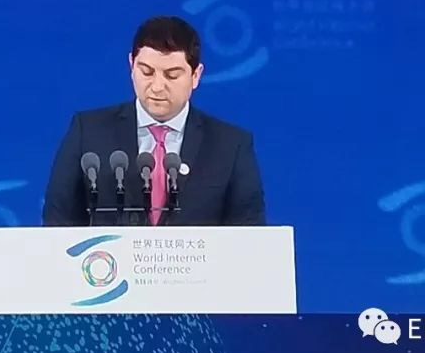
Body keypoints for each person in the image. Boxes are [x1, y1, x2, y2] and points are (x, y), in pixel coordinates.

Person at [42, 16, 265, 226]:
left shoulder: (231, 145)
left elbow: (249, 233)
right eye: (147, 72)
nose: (157, 87)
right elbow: (58, 220)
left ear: (196, 75)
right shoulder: (88, 132)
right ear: (131, 65)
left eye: (172, 75)